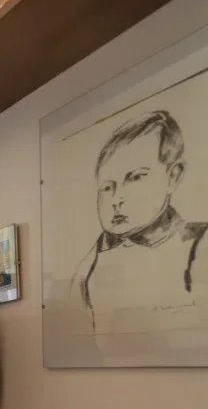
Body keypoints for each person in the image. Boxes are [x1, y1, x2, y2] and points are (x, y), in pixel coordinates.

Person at [71, 110, 205, 332]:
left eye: (135, 177)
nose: (116, 199)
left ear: (173, 176)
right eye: (107, 187)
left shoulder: (198, 244)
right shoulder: (86, 269)